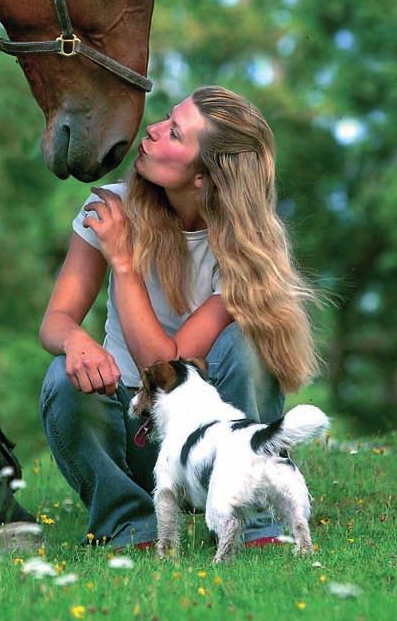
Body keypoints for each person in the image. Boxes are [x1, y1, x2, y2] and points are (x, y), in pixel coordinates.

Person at [38, 86, 320, 550]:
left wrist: (124, 262)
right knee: (61, 379)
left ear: (203, 178)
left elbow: (167, 367)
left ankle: (250, 519)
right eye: (166, 119)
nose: (150, 130)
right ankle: (129, 522)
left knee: (248, 346)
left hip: (214, 440)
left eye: (173, 133)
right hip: (137, 426)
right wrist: (74, 340)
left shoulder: (243, 252)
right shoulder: (111, 207)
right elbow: (55, 320)